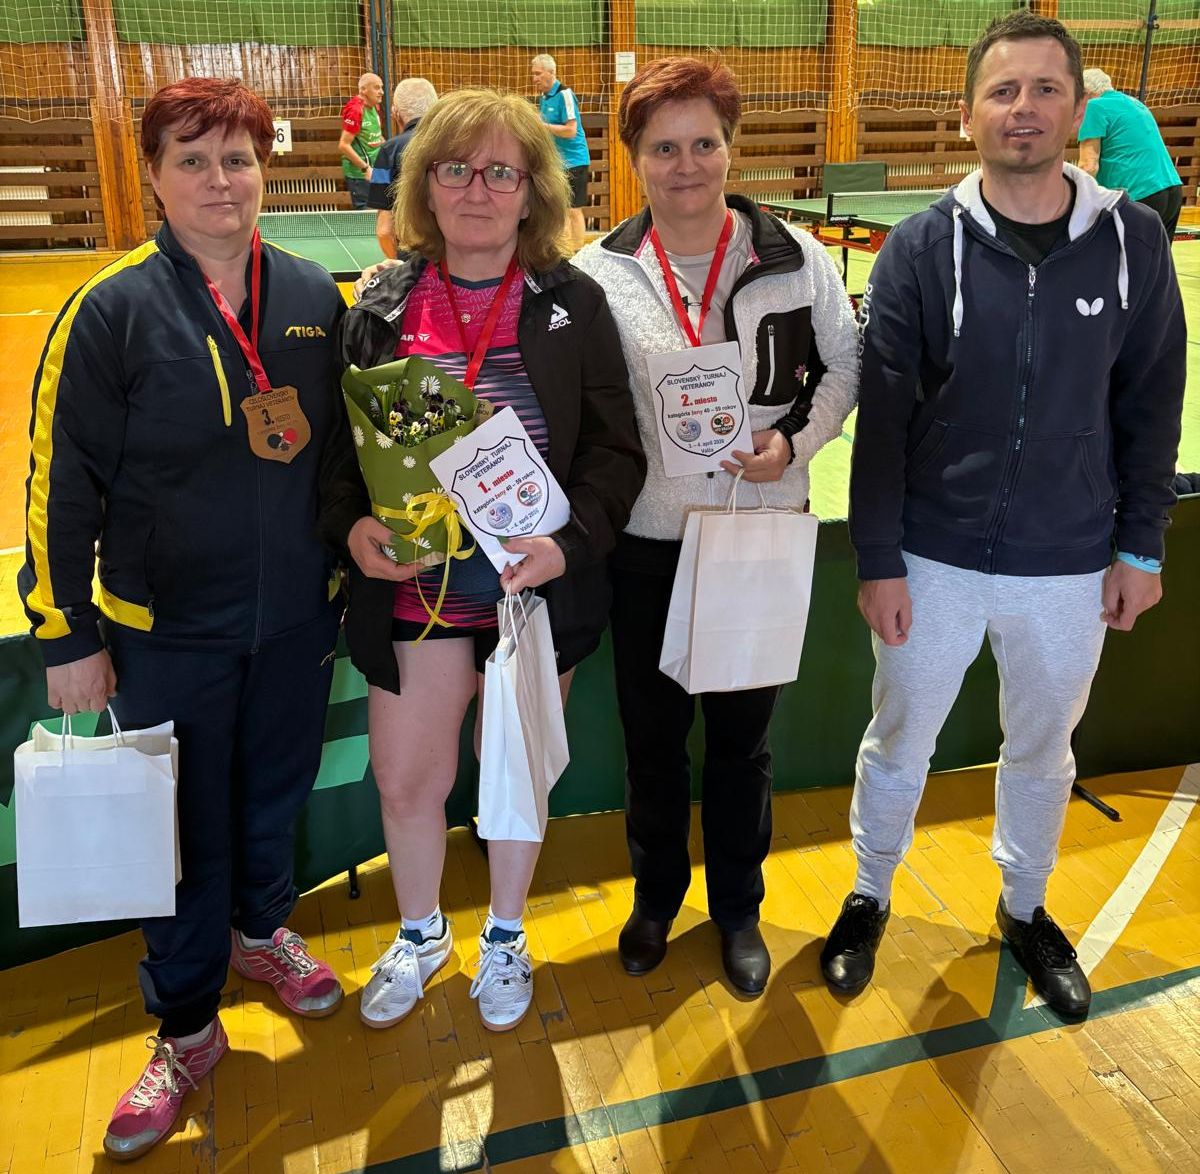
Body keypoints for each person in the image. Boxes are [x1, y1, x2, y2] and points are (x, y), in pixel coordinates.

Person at [821, 11, 1186, 1019]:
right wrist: (878, 558)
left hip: (1070, 561)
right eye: (1003, 90)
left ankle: (1025, 908)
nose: (1024, 108)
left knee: (1042, 749)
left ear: (1077, 110)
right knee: (900, 739)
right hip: (932, 557)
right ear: (969, 112)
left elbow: (1153, 404)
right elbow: (884, 418)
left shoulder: (1132, 242)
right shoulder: (919, 247)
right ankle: (869, 892)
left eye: (1045, 90)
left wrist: (1141, 544)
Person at [18, 78, 349, 1160]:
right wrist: (66, 630)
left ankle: (260, 933)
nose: (220, 182)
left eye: (238, 159)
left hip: (296, 620)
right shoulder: (110, 309)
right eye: (193, 161)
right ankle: (186, 1025)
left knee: (273, 796)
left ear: (265, 170)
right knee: (177, 833)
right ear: (153, 176)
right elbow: (59, 482)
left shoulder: (311, 293)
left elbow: (341, 455)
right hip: (164, 632)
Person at [319, 89, 644, 1033]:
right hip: (416, 596)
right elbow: (339, 459)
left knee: (513, 778)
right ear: (424, 186)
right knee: (406, 781)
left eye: (501, 171)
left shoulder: (573, 303)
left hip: (527, 599)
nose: (476, 190)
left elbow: (615, 452)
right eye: (455, 169)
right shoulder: (379, 305)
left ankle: (505, 937)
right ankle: (421, 934)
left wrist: (567, 546)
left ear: (533, 191)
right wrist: (350, 530)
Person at [571, 58, 859, 996]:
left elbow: (847, 367)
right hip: (647, 546)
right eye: (664, 148)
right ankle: (656, 899)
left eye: (703, 143)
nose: (686, 164)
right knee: (652, 745)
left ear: (731, 148)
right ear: (634, 160)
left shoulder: (796, 257)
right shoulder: (599, 273)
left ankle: (738, 909)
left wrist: (795, 444)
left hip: (757, 536)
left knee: (742, 745)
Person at [1078, 67, 1184, 239]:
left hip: (1139, 195)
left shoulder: (1093, 106)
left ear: (1085, 93)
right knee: (1158, 256)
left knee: (1120, 253)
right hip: (1171, 190)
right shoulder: (1135, 103)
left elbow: (1088, 166)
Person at [368, 77, 438, 258]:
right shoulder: (456, 144)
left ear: (395, 113)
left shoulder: (389, 151)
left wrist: (398, 265)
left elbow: (384, 230)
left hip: (412, 261)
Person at [531, 54, 591, 250]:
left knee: (573, 210)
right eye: (533, 74)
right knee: (560, 211)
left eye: (538, 74)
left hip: (575, 161)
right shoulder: (544, 98)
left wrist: (542, 126)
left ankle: (579, 254)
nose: (534, 79)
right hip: (557, 163)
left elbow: (571, 130)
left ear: (551, 72)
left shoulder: (565, 95)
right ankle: (564, 253)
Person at [339, 72, 386, 209]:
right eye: (376, 88)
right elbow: (343, 145)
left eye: (381, 87)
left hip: (375, 170)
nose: (381, 92)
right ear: (363, 90)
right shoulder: (355, 110)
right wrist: (365, 168)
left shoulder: (374, 106)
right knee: (367, 215)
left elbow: (375, 135)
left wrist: (384, 145)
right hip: (361, 175)